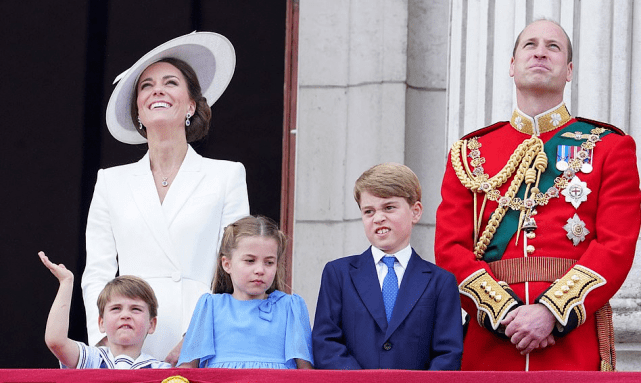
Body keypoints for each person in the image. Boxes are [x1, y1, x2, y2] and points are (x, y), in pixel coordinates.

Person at [435, 19, 641, 371]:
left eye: (553, 47)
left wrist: (552, 311)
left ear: (569, 71)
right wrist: (505, 313)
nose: (541, 52)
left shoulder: (610, 147)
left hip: (572, 343)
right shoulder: (469, 153)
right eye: (529, 45)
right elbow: (450, 249)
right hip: (491, 342)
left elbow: (615, 246)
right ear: (512, 66)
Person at [81, 32, 250, 365]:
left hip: (200, 338)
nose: (157, 90)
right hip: (129, 340)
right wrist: (107, 341)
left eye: (170, 82)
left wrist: (198, 339)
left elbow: (235, 265)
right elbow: (98, 270)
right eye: (146, 86)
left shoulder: (227, 176)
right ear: (139, 114)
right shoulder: (110, 181)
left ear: (191, 104)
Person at [312, 163, 463, 370]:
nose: (378, 218)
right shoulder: (338, 274)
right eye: (369, 211)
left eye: (389, 207)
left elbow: (448, 353)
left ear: (415, 212)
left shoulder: (441, 282)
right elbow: (326, 343)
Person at [177, 215, 313, 369]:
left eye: (269, 262)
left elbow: (306, 371)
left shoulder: (291, 307)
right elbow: (187, 368)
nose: (260, 270)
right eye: (250, 260)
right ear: (227, 264)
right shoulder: (210, 307)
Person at [39, 251, 170, 369]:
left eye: (135, 309)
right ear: (101, 323)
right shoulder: (92, 360)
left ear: (151, 324)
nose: (125, 315)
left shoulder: (162, 371)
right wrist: (66, 282)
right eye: (116, 308)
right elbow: (56, 341)